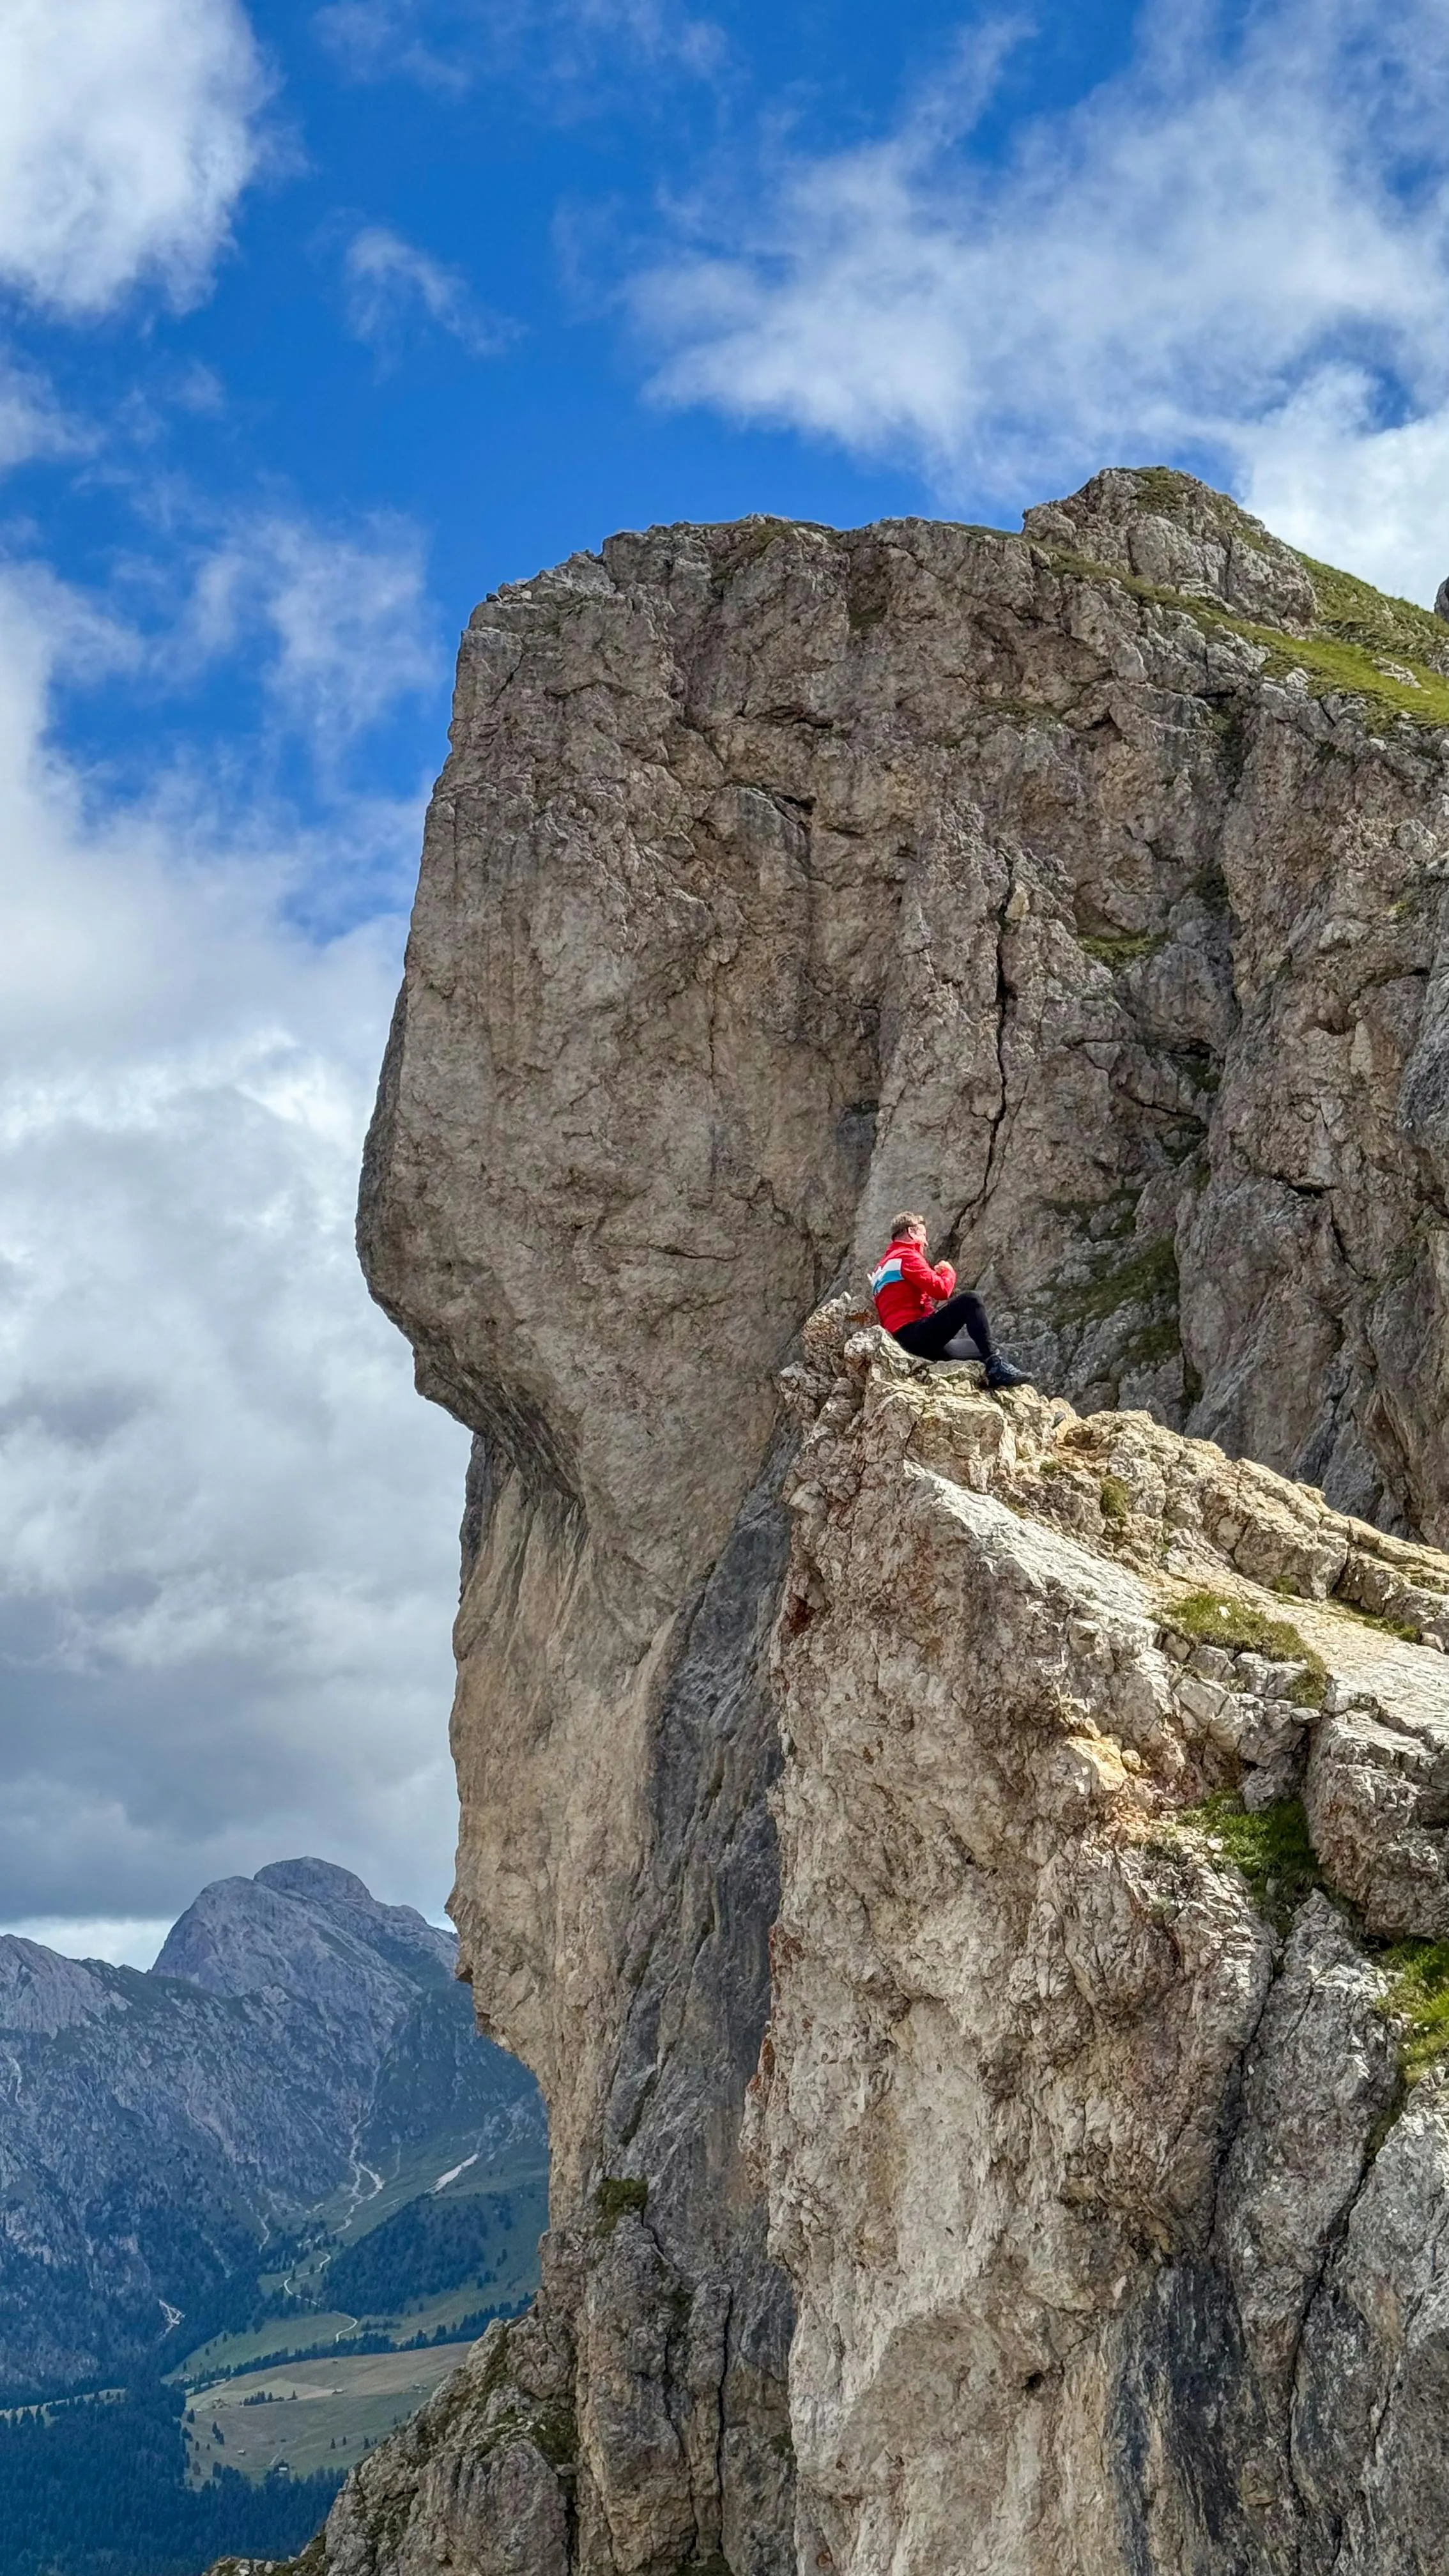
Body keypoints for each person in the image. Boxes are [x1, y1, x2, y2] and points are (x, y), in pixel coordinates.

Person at [868, 1213, 1031, 1389]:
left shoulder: (881, 1269)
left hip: (900, 1340)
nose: (926, 1243)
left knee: (990, 1349)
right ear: (911, 1232)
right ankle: (996, 1368)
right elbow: (941, 1290)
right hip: (915, 1335)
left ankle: (992, 1375)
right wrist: (948, 1272)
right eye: (923, 1235)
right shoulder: (906, 1256)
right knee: (971, 1300)